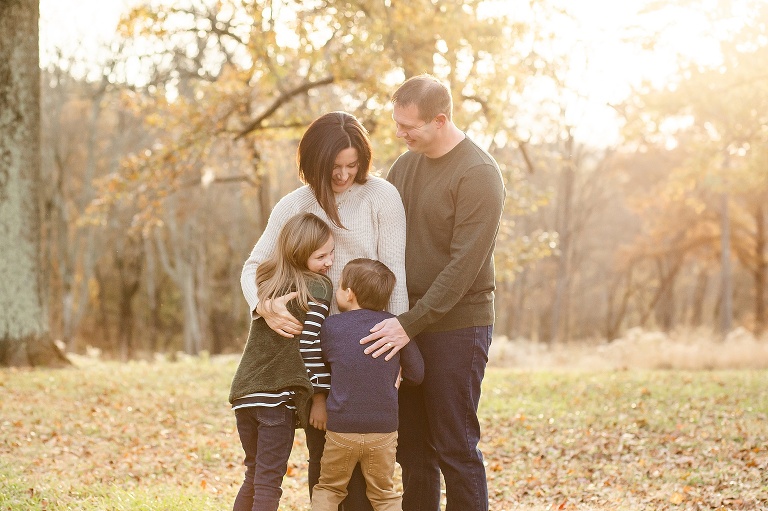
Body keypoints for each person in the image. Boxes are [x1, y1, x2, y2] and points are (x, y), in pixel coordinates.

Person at [240, 111, 408, 511]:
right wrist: (262, 306)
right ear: (313, 163)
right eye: (334, 167)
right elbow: (253, 266)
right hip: (315, 349)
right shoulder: (293, 205)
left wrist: (400, 340)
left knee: (373, 462)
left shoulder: (382, 197)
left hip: (369, 347)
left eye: (353, 165)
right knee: (325, 457)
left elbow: (396, 274)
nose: (344, 175)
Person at [359, 74, 506, 511]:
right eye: (396, 122)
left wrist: (408, 324)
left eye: (409, 126)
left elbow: (464, 268)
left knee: (454, 446)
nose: (400, 133)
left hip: (457, 327)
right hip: (406, 322)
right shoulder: (405, 165)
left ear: (440, 120)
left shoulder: (479, 174)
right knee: (414, 451)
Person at [229, 212, 336, 511]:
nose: (329, 262)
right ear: (301, 254)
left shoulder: (267, 283)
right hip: (277, 399)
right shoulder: (318, 288)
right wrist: (320, 397)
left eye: (332, 253)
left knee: (253, 474)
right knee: (268, 481)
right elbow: (310, 346)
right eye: (321, 256)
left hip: (245, 395)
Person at [311, 259, 424, 511]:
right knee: (384, 495)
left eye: (340, 287)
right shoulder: (394, 327)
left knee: (329, 488)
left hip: (341, 429)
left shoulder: (331, 326)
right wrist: (394, 372)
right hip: (383, 431)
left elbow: (323, 362)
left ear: (349, 294)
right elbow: (417, 374)